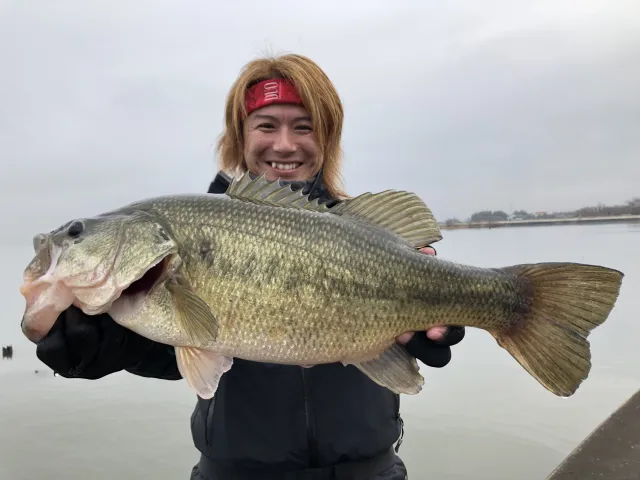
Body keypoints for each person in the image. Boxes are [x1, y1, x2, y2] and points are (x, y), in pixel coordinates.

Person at [35, 53, 465, 480]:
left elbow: (412, 322)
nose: (283, 144)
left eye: (304, 126)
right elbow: (184, 349)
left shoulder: (367, 233)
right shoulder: (193, 234)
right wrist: (118, 346)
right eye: (265, 125)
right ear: (239, 137)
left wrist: (443, 309)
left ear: (328, 138)